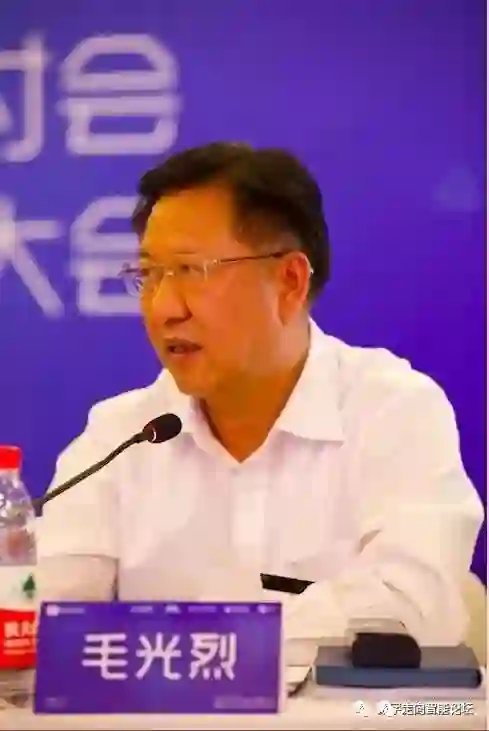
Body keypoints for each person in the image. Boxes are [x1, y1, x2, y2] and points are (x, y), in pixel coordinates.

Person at [37, 142, 483, 655]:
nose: (163, 308)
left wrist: (207, 648)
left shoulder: (393, 411)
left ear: (289, 282)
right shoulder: (123, 435)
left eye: (191, 271)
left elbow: (413, 605)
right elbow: (44, 608)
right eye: (149, 275)